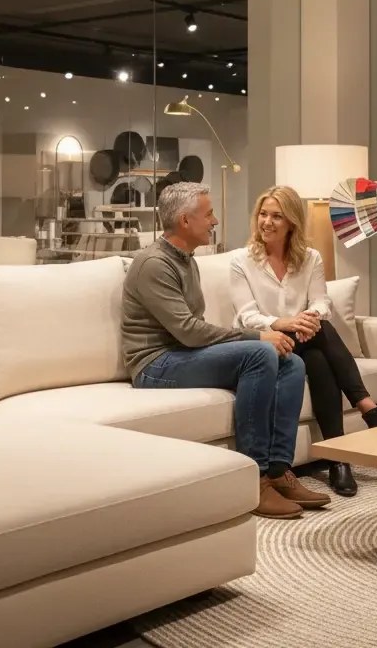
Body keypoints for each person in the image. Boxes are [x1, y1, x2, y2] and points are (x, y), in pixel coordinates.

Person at [122, 181, 330, 520]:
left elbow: (192, 331)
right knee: (262, 352)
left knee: (290, 362)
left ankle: (278, 470)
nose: (215, 221)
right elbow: (189, 332)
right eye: (209, 214)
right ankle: (255, 477)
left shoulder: (186, 259)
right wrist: (258, 336)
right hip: (154, 364)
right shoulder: (154, 264)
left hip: (181, 356)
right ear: (186, 222)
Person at [229, 186, 377, 497]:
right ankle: (368, 408)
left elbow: (322, 303)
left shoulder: (310, 258)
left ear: (292, 222)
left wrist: (308, 318)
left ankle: (336, 459)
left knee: (318, 361)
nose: (267, 222)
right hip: (260, 343)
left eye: (277, 216)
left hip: (304, 339)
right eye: (263, 214)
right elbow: (246, 317)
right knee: (319, 333)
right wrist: (288, 323)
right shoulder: (242, 260)